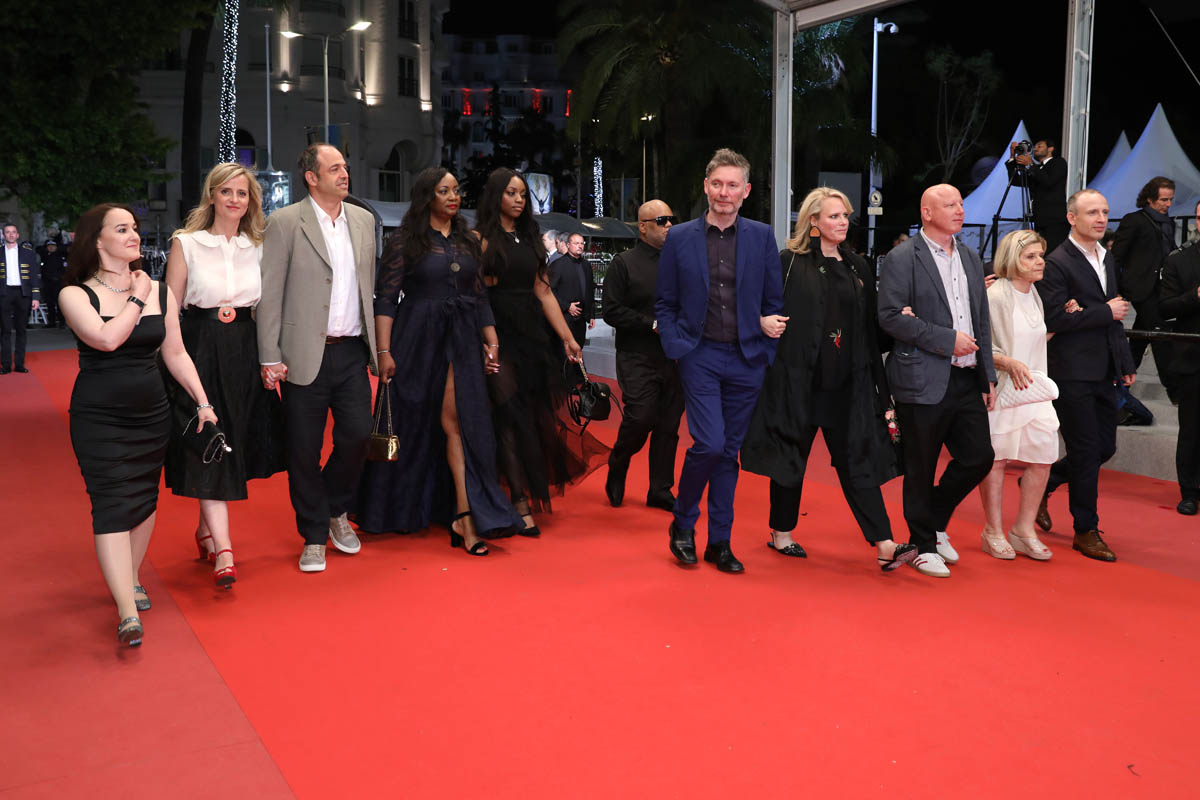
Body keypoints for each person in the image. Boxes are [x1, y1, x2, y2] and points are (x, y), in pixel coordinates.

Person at [58, 204, 217, 646]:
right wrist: (137, 295)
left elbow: (176, 353)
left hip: (152, 415)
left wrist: (203, 402)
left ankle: (129, 579)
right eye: (122, 229)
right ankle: (127, 611)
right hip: (99, 418)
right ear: (97, 241)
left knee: (144, 500)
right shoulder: (75, 294)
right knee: (112, 503)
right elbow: (107, 339)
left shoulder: (161, 292)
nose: (133, 235)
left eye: (135, 228)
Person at [741, 188, 916, 572]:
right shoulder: (788, 262)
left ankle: (885, 543)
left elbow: (869, 327)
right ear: (813, 222)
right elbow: (752, 304)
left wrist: (899, 321)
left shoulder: (858, 266)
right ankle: (781, 533)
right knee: (790, 457)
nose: (842, 222)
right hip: (798, 381)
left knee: (858, 460)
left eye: (845, 216)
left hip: (848, 384)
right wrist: (762, 322)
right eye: (834, 216)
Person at [353, 167, 521, 553]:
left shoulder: (468, 240)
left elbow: (478, 296)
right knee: (412, 421)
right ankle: (405, 507)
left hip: (461, 339)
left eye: (456, 190)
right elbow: (385, 299)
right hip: (416, 338)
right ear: (427, 195)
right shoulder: (405, 241)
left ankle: (464, 513)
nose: (453, 197)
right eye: (444, 191)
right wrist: (383, 351)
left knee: (457, 421)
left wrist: (491, 340)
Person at [655, 148, 783, 574]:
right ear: (706, 187)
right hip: (700, 354)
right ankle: (683, 523)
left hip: (748, 357)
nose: (724, 192)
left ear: (746, 191)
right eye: (717, 184)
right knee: (709, 443)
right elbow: (665, 301)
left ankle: (720, 542)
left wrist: (766, 341)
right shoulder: (680, 237)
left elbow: (773, 299)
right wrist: (676, 345)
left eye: (732, 185)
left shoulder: (762, 237)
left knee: (728, 453)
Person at [163, 163, 286, 588]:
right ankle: (225, 549)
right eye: (227, 191)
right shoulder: (187, 243)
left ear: (251, 201)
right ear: (212, 196)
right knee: (208, 433)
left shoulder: (260, 246)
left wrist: (271, 358)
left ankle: (205, 530)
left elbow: (269, 308)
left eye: (243, 193)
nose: (235, 199)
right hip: (199, 346)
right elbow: (170, 309)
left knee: (230, 441)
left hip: (245, 348)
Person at [258, 144, 378, 573]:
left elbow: (368, 286)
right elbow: (270, 293)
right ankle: (313, 535)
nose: (345, 174)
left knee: (357, 437)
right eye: (334, 169)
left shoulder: (363, 220)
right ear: (311, 177)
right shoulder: (285, 222)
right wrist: (269, 356)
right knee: (303, 451)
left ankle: (334, 509)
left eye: (345, 167)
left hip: (351, 351)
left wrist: (379, 349)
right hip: (301, 354)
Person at [476, 167, 608, 535]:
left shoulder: (530, 238)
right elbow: (477, 293)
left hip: (531, 335)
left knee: (532, 416)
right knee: (507, 415)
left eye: (522, 194)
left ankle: (524, 495)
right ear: (496, 196)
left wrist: (567, 337)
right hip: (496, 333)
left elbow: (544, 291)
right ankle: (518, 500)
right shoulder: (482, 240)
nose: (519, 200)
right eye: (511, 193)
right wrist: (486, 339)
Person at [877, 184, 997, 579]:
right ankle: (922, 545)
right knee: (921, 465)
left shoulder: (970, 257)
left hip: (966, 376)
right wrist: (947, 340)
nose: (960, 210)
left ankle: (933, 521)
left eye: (961, 204)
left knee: (979, 457)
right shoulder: (902, 257)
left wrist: (987, 375)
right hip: (920, 375)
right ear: (927, 213)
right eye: (950, 205)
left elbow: (981, 320)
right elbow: (890, 317)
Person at [1035, 189, 1136, 561]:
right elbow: (1053, 319)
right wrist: (1102, 311)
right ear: (1072, 218)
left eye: (1105, 212)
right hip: (1070, 370)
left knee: (1104, 448)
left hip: (1105, 368)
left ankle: (1043, 483)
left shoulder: (1107, 257)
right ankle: (1085, 529)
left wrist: (1125, 362)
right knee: (1086, 450)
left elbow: (1114, 316)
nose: (1101, 219)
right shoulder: (1057, 262)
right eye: (1092, 212)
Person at [978, 230, 1063, 561]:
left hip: (1035, 391)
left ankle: (1024, 530)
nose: (1040, 261)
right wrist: (1007, 363)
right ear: (1012, 259)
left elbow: (1032, 336)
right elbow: (982, 345)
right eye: (1031, 256)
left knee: (1043, 457)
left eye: (1040, 255)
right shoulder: (996, 295)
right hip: (1004, 391)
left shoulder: (1034, 293)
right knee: (996, 460)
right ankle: (993, 530)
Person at [601, 199, 684, 511]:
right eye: (661, 221)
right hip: (636, 354)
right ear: (643, 227)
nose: (668, 225)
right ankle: (619, 460)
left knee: (668, 425)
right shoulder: (623, 263)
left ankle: (660, 489)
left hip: (674, 358)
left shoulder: (680, 263)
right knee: (641, 416)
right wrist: (651, 324)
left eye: (671, 219)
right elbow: (610, 310)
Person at [1113, 176, 1179, 402]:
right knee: (1160, 336)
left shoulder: (1168, 223)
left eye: (1170, 199)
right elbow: (1117, 256)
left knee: (1140, 338)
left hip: (1162, 288)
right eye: (1163, 200)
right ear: (1150, 199)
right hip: (1141, 288)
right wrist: (1118, 288)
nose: (1168, 204)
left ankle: (1121, 383)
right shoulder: (1134, 220)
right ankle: (1175, 390)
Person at [1157, 199, 1200, 515]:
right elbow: (1165, 307)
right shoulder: (1179, 261)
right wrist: (1194, 297)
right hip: (1192, 359)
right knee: (1191, 431)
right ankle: (1189, 492)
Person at [1006, 138, 1069, 253]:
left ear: (1050, 149)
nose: (1035, 148)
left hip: (1055, 221)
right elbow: (1015, 180)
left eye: (1039, 146)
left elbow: (1048, 181)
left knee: (1052, 254)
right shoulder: (1036, 169)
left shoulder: (1058, 162)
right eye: (1034, 146)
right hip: (1040, 220)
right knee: (1041, 253)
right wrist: (1012, 157)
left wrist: (1030, 164)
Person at [1, 223, 41, 373]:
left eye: (13, 232)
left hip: (23, 294)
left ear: (17, 235)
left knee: (21, 329)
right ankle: (5, 365)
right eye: (8, 232)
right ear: (3, 235)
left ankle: (19, 364)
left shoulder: (28, 253)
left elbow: (34, 276)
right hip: (4, 293)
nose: (11, 234)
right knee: (5, 330)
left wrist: (35, 296)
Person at [548, 232, 595, 347]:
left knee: (579, 347)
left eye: (582, 243)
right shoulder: (558, 265)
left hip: (581, 318)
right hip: (564, 317)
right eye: (576, 243)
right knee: (565, 350)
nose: (580, 246)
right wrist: (567, 306)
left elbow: (590, 290)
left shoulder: (586, 265)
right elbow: (549, 290)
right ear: (568, 245)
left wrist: (592, 314)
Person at [39, 240, 67, 328]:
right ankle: (51, 322)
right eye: (49, 246)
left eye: (53, 246)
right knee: (49, 303)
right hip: (47, 283)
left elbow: (64, 271)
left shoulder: (60, 257)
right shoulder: (45, 257)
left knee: (60, 303)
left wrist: (58, 278)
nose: (51, 247)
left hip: (58, 283)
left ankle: (62, 322)